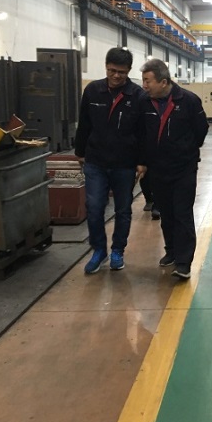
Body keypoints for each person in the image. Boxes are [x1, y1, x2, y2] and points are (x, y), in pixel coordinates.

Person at [74, 47, 144, 274]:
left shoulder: (137, 96)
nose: (116, 76)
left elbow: (143, 133)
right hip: (96, 161)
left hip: (125, 163)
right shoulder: (93, 91)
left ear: (129, 71)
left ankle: (117, 251)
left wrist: (142, 161)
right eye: (112, 70)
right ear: (105, 67)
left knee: (123, 209)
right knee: (94, 207)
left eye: (121, 72)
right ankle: (98, 250)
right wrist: (79, 152)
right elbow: (84, 123)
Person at [138, 59, 209, 280]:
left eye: (148, 81)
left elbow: (201, 130)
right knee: (166, 213)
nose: (144, 86)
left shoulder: (188, 101)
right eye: (143, 81)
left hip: (183, 168)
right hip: (157, 168)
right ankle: (171, 251)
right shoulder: (144, 102)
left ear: (163, 82)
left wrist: (185, 150)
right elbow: (140, 133)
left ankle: (184, 262)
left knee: (182, 213)